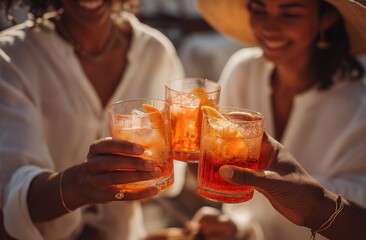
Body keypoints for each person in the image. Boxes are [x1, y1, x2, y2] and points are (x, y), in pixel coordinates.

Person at [0, 0, 185, 239]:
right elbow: (13, 198)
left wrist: (202, 149)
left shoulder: (155, 52)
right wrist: (80, 185)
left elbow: (168, 175)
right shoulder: (12, 57)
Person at [187, 0, 366, 239]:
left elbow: (357, 208)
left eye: (290, 13)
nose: (269, 27)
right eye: (259, 10)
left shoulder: (358, 102)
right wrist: (235, 228)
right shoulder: (243, 71)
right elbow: (233, 189)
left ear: (326, 18)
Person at [218, 132, 366, 240]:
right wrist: (237, 229)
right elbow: (247, 210)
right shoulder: (239, 89)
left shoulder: (359, 106)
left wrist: (317, 209)